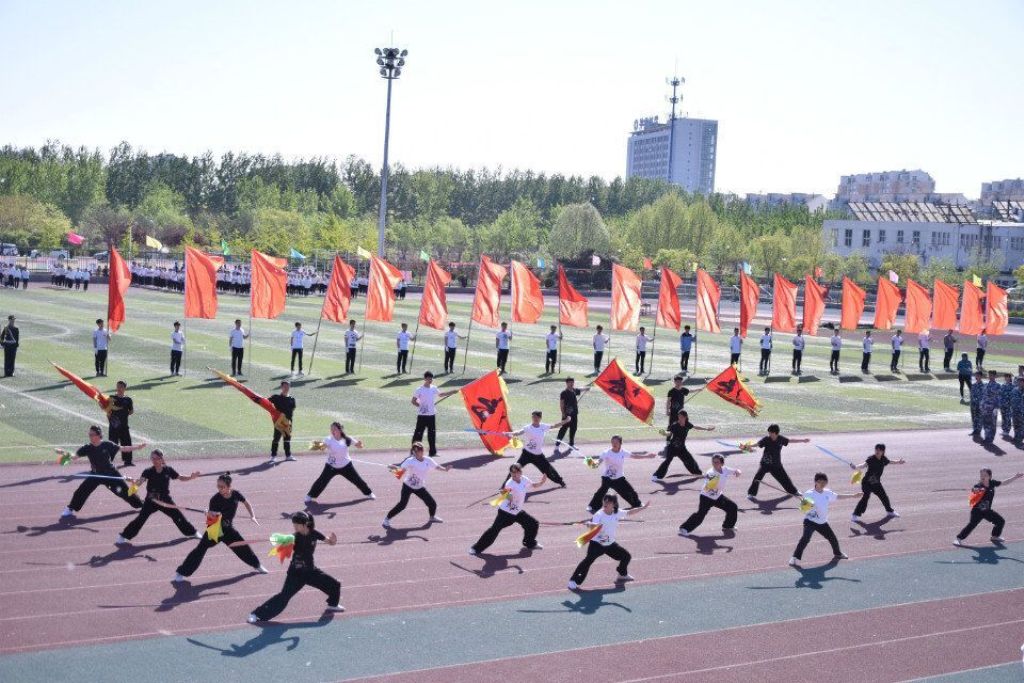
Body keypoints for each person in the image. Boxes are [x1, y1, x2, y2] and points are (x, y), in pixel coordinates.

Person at [248, 511, 343, 622]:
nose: (295, 527)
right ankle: (256, 614)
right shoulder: (294, 537)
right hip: (296, 573)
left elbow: (330, 542)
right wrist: (282, 541)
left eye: (297, 524)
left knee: (335, 584)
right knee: (284, 596)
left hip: (310, 571)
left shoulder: (314, 533)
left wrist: (333, 541)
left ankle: (332, 604)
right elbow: (284, 545)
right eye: (294, 524)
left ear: (305, 524)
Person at [173, 473, 267, 582]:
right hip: (215, 529)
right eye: (218, 486)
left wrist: (252, 515)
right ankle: (181, 572)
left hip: (228, 529)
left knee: (243, 547)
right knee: (200, 550)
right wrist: (209, 514)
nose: (220, 489)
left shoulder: (236, 494)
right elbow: (212, 520)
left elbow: (246, 503)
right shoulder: (215, 499)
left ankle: (257, 565)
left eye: (222, 487)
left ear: (229, 486)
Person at [117, 449, 201, 545]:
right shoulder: (148, 471)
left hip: (165, 499)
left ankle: (193, 532)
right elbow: (139, 483)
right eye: (152, 458)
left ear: (161, 459)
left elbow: (180, 477)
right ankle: (123, 536)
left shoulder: (168, 470)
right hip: (151, 500)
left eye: (156, 458)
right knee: (140, 519)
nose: (154, 460)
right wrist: (132, 482)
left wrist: (191, 477)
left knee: (178, 515)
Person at [60, 425, 146, 518]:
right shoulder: (87, 448)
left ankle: (141, 504)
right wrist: (64, 454)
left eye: (92, 434)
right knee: (81, 491)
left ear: (98, 435)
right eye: (89, 434)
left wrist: (137, 447)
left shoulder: (107, 445)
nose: (90, 436)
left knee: (125, 492)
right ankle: (70, 508)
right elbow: (74, 457)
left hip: (111, 474)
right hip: (95, 475)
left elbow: (123, 448)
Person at [568, 494, 648, 590]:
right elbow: (595, 526)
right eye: (604, 501)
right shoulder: (599, 514)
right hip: (597, 544)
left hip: (609, 544)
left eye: (608, 501)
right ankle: (573, 580)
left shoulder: (616, 512)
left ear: (614, 504)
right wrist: (590, 524)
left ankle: (622, 574)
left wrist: (643, 508)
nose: (605, 503)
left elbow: (629, 512)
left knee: (626, 556)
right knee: (588, 561)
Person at [470, 463, 545, 555]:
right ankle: (475, 548)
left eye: (516, 471)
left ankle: (530, 543)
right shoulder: (509, 483)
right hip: (505, 512)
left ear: (520, 472)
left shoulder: (524, 479)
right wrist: (507, 495)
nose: (514, 474)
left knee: (533, 524)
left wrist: (541, 482)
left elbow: (533, 485)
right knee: (494, 530)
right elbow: (508, 498)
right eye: (512, 472)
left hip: (517, 511)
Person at [788, 473, 859, 566]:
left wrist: (853, 495)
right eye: (820, 482)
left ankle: (837, 553)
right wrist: (808, 506)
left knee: (832, 538)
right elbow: (803, 509)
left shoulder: (827, 492)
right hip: (810, 521)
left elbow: (838, 496)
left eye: (824, 482)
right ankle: (794, 558)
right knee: (805, 539)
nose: (822, 484)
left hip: (822, 522)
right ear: (815, 482)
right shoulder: (808, 494)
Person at [382, 442, 450, 527]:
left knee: (432, 503)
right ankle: (386, 519)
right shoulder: (410, 461)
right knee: (402, 505)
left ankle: (432, 517)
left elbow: (436, 466)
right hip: (408, 486)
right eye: (417, 451)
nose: (420, 452)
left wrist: (445, 469)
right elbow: (400, 472)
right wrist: (392, 468)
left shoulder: (428, 460)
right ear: (414, 452)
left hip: (419, 487)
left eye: (421, 450)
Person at [305, 422, 374, 504]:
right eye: (331, 429)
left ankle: (369, 493)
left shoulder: (347, 439)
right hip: (331, 466)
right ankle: (310, 496)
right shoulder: (328, 439)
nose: (332, 431)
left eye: (334, 429)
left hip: (346, 465)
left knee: (357, 480)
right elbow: (323, 447)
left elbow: (359, 446)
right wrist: (318, 446)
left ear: (340, 430)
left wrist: (360, 444)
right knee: (321, 481)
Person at [954, 469, 1023, 546]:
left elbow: (1004, 483)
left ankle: (994, 536)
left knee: (1000, 521)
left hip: (987, 511)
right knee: (972, 525)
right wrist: (976, 490)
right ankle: (958, 539)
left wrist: (1015, 477)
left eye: (985, 475)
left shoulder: (992, 483)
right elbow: (974, 492)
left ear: (990, 476)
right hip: (977, 511)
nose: (982, 477)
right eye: (981, 475)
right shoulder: (978, 486)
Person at [586, 435, 654, 512]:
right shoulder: (606, 453)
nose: (614, 444)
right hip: (607, 478)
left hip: (619, 478)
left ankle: (637, 504)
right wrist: (592, 463)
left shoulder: (623, 452)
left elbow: (634, 456)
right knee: (601, 492)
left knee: (630, 491)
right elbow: (597, 463)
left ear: (620, 443)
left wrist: (647, 456)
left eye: (616, 442)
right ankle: (592, 506)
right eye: (612, 442)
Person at [679, 454, 741, 535]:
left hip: (717, 496)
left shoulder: (725, 469)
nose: (714, 464)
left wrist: (738, 472)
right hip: (706, 498)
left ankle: (728, 526)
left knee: (732, 507)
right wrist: (711, 481)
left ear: (722, 463)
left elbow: (736, 471)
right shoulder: (711, 473)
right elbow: (708, 487)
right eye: (713, 462)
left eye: (717, 462)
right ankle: (684, 528)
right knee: (700, 515)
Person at [505, 411, 570, 488]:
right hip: (526, 454)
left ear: (540, 418)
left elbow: (555, 426)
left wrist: (566, 421)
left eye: (537, 417)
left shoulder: (543, 426)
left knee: (548, 470)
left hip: (538, 456)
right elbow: (518, 432)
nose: (535, 418)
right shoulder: (528, 428)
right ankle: (504, 487)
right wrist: (510, 433)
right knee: (515, 468)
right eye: (533, 417)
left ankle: (561, 482)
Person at [747, 424, 809, 500]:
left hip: (776, 464)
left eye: (771, 433)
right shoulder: (766, 439)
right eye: (769, 432)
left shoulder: (781, 439)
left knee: (785, 478)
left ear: (775, 433)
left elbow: (790, 440)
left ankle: (794, 491)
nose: (769, 434)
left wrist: (803, 440)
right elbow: (758, 444)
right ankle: (751, 494)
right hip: (765, 464)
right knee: (757, 478)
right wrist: (749, 446)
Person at [652, 411, 714, 481]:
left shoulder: (687, 424)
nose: (679, 418)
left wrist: (706, 429)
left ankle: (698, 473)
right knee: (667, 461)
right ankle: (656, 476)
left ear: (685, 417)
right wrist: (664, 433)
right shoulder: (675, 425)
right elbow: (669, 433)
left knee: (690, 460)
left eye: (681, 417)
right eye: (679, 417)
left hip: (681, 448)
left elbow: (695, 427)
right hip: (672, 447)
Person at [850, 444, 906, 522]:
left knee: (884, 497)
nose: (877, 451)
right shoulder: (871, 459)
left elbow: (890, 462)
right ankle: (855, 515)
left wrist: (898, 462)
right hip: (867, 482)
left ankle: (889, 511)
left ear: (883, 451)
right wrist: (856, 467)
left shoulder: (883, 459)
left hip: (876, 482)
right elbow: (863, 465)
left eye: (879, 450)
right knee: (865, 497)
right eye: (876, 449)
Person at [411, 371, 457, 457]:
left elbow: (441, 394)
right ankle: (414, 452)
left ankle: (432, 452)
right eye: (429, 378)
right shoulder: (419, 389)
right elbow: (413, 401)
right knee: (418, 434)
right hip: (422, 416)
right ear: (425, 379)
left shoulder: (433, 388)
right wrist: (421, 407)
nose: (430, 380)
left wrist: (452, 392)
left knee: (432, 434)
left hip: (431, 415)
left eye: (431, 379)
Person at [555, 377, 590, 453]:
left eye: (572, 382)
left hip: (574, 414)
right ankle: (557, 445)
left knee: (573, 429)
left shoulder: (574, 390)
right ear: (566, 383)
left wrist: (586, 388)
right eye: (570, 382)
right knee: (563, 430)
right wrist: (563, 413)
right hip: (567, 415)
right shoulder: (564, 393)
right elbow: (561, 404)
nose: (571, 384)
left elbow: (580, 389)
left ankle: (571, 444)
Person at [107, 381, 135, 465]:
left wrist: (125, 414)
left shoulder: (128, 399)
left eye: (121, 387)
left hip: (124, 426)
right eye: (118, 386)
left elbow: (131, 411)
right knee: (112, 444)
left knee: (127, 443)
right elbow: (108, 410)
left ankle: (128, 461)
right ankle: (108, 462)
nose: (119, 388)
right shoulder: (111, 398)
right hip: (114, 426)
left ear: (124, 388)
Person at [268, 381, 296, 463]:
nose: (286, 388)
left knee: (287, 439)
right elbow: (266, 402)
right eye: (284, 386)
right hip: (279, 422)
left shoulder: (292, 399)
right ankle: (273, 456)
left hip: (288, 422)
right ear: (281, 387)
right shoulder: (276, 397)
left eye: (288, 386)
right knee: (276, 438)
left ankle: (288, 455)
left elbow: (292, 409)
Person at [981, 370, 1001, 443]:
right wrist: (982, 405)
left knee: (992, 424)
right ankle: (987, 437)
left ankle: (990, 438)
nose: (990, 376)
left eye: (991, 375)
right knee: (985, 423)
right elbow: (983, 396)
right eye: (989, 375)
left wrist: (996, 407)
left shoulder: (998, 386)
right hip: (985, 408)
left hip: (993, 408)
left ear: (995, 376)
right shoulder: (985, 385)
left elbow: (999, 397)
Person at [968, 370, 984, 436]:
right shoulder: (973, 385)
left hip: (979, 405)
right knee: (974, 418)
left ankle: (978, 430)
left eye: (978, 375)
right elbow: (971, 395)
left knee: (979, 418)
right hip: (973, 404)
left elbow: (983, 396)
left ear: (981, 376)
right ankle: (975, 430)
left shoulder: (983, 386)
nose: (976, 376)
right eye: (976, 375)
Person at [1000, 373, 1015, 439]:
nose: (1006, 378)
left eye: (1007, 377)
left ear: (1010, 378)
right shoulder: (1003, 385)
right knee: (1003, 417)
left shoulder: (1012, 386)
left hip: (1009, 405)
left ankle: (1007, 430)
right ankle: (1004, 429)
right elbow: (1000, 394)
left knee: (1008, 418)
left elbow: (1013, 396)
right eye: (1005, 377)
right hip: (1002, 404)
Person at [1012, 377, 1024, 443]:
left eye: (1021, 381)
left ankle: (1020, 438)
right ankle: (1016, 436)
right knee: (1015, 424)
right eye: (1018, 381)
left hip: (1022, 411)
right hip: (1015, 410)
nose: (1019, 383)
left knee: (1021, 425)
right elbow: (1012, 399)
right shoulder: (1014, 389)